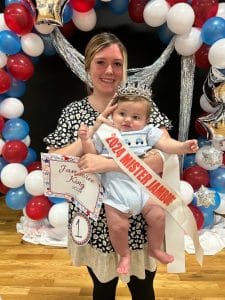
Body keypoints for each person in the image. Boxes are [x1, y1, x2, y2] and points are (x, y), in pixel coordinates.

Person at [44, 32, 173, 300]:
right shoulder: (74, 112)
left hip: (140, 219)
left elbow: (164, 159)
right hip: (95, 222)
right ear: (88, 66)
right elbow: (55, 164)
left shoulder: (140, 106)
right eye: (101, 62)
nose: (109, 71)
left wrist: (108, 164)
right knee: (102, 290)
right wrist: (91, 133)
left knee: (143, 289)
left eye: (117, 64)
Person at [77, 87, 199, 275]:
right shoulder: (105, 133)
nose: (127, 120)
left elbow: (167, 144)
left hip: (144, 189)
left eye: (136, 117)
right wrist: (86, 139)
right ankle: (124, 254)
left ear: (146, 121)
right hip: (116, 192)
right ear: (113, 114)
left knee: (158, 216)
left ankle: (155, 248)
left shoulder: (148, 132)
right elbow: (92, 154)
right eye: (122, 114)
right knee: (118, 226)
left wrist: (183, 147)